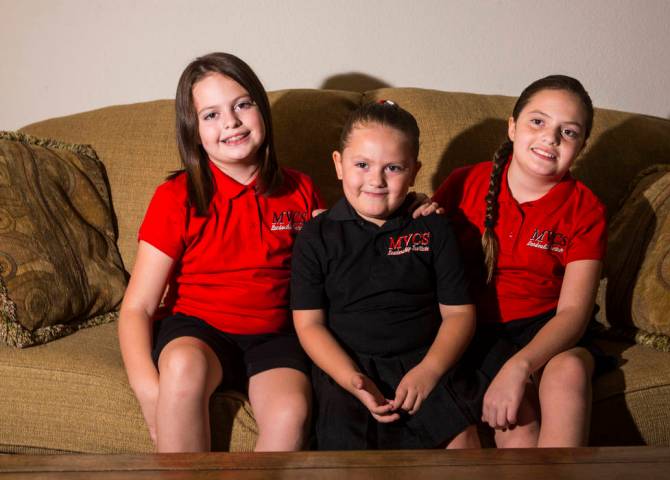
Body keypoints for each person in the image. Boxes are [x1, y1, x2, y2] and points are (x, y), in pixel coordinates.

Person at [118, 52, 324, 452]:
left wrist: (407, 208)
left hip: (275, 336)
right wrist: (148, 392)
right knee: (181, 368)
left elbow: (350, 244)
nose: (230, 121)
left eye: (242, 105)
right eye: (210, 115)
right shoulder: (176, 197)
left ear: (261, 110)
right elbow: (137, 307)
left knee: (290, 412)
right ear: (193, 131)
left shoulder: (301, 190)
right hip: (198, 330)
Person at [291, 100, 484, 450]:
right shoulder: (316, 236)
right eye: (362, 165)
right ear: (338, 164)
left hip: (425, 361)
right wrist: (350, 378)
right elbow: (309, 325)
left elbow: (459, 314)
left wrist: (430, 371)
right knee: (342, 456)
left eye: (393, 167)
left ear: (414, 171)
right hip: (348, 367)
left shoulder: (432, 228)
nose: (376, 180)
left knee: (463, 441)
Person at [433, 75, 607, 448]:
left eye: (569, 131)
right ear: (512, 127)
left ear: (583, 146)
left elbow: (573, 313)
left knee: (569, 371)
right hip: (477, 329)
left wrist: (521, 366)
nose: (551, 137)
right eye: (538, 121)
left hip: (548, 328)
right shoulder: (465, 182)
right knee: (518, 418)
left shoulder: (586, 208)